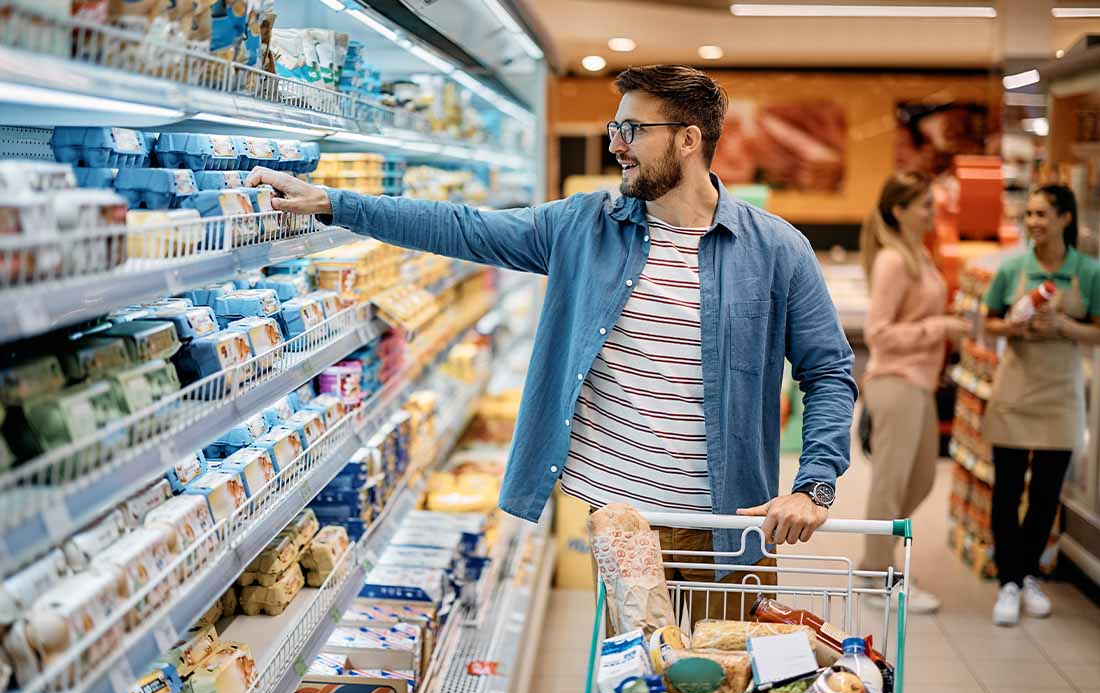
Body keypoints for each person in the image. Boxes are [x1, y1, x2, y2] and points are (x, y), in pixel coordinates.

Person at [245, 65, 857, 621]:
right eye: (614, 127)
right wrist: (333, 203)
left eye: (632, 130)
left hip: (728, 525)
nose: (615, 144)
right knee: (640, 678)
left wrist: (815, 483)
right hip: (620, 522)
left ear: (688, 140)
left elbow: (828, 372)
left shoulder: (777, 249)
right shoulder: (584, 226)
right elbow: (466, 227)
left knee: (730, 679)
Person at [983, 184, 1100, 627]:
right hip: (1015, 389)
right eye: (1029, 214)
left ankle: (1029, 574)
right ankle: (1008, 582)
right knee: (1008, 488)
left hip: (1061, 393)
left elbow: (1098, 332)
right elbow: (988, 321)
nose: (1033, 222)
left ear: (1065, 218)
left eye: (1042, 214)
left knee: (1046, 492)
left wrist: (1065, 323)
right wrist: (1012, 325)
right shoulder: (1011, 268)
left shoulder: (1088, 272)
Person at [857, 171, 969, 614]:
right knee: (890, 486)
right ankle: (876, 576)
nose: (933, 211)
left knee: (920, 479)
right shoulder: (893, 261)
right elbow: (878, 333)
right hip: (896, 383)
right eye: (924, 204)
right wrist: (938, 328)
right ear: (900, 210)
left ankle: (881, 559)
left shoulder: (917, 253)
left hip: (919, 384)